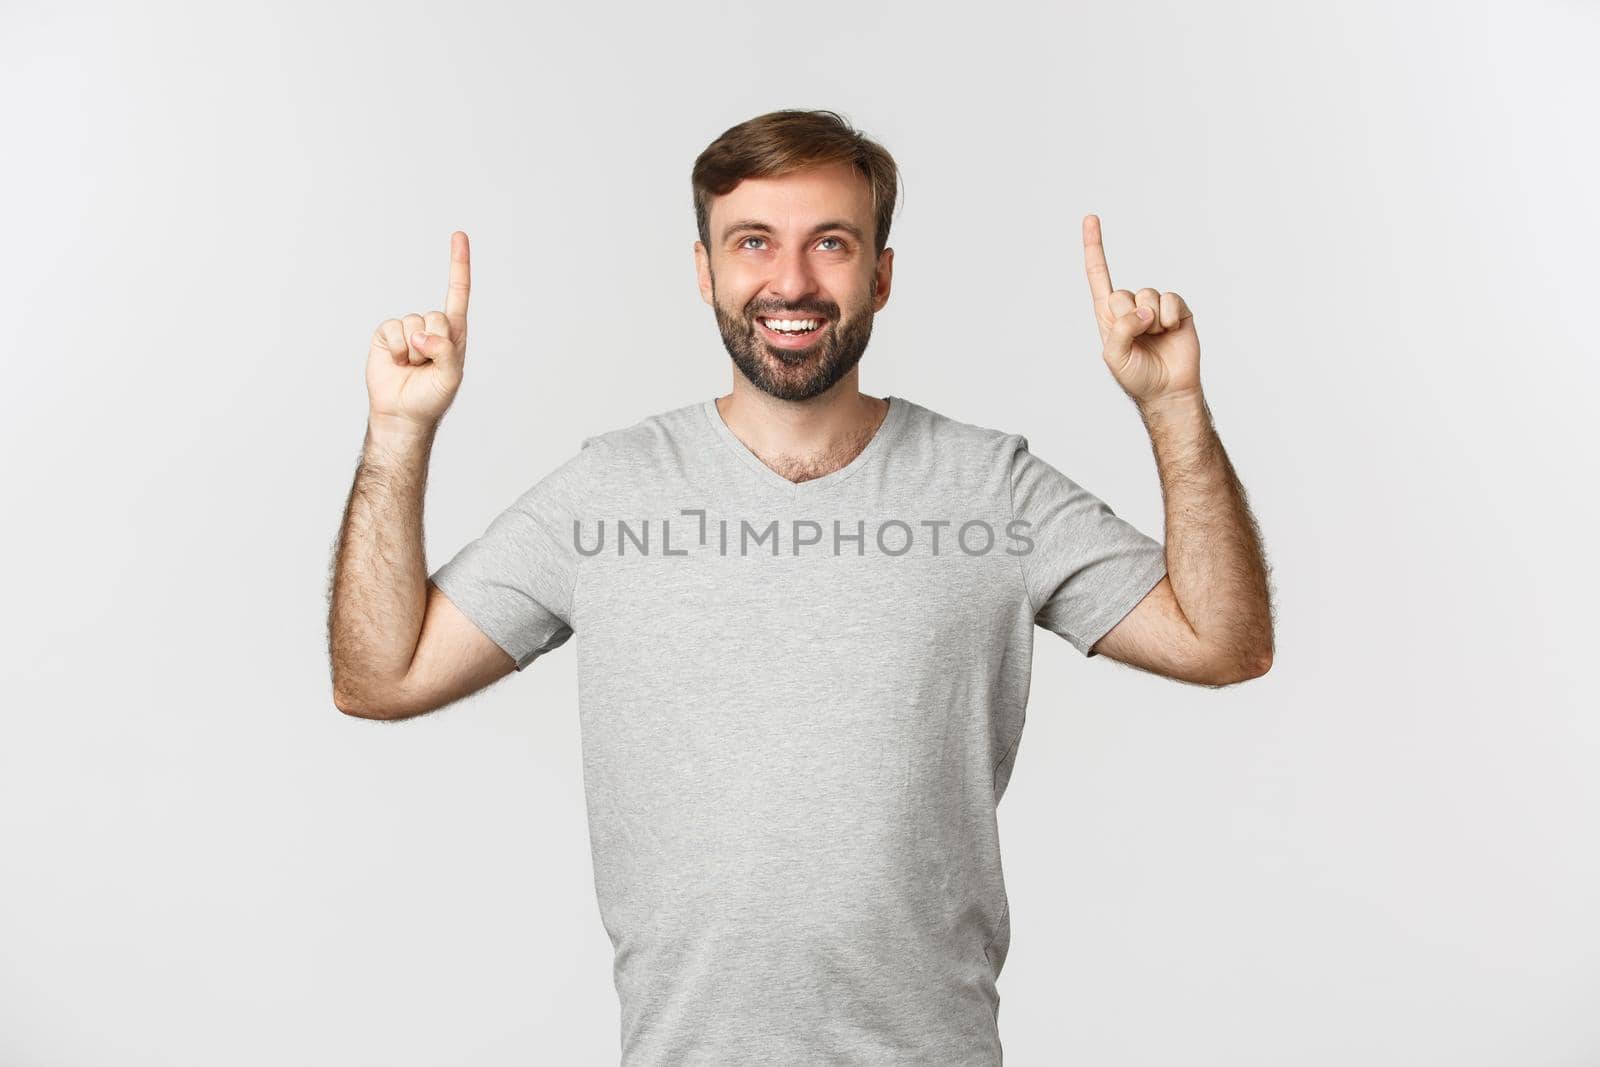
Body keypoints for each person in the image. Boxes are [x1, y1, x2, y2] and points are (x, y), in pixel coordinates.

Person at [327, 109, 1274, 1065]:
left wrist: (1174, 408)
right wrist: (400, 432)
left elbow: (1221, 641)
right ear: (704, 271)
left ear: (882, 275)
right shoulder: (607, 491)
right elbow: (380, 677)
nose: (791, 282)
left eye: (831, 243)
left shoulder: (993, 488)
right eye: (753, 243)